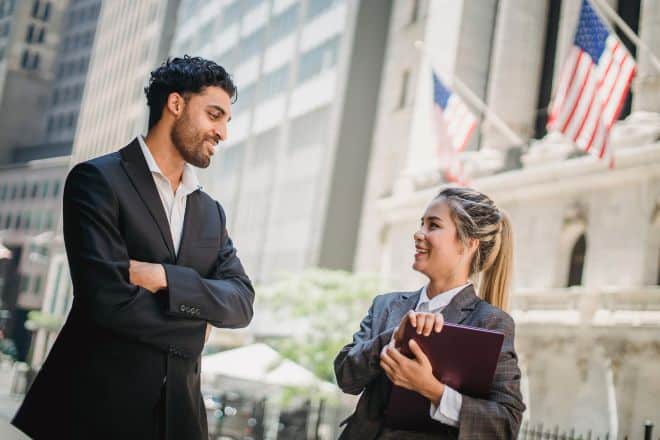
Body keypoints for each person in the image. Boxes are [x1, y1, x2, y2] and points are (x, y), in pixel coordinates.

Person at [12, 56, 255, 440]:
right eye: (214, 115)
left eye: (226, 120)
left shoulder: (210, 212)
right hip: (93, 412)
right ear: (175, 104)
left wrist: (164, 278)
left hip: (178, 421)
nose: (223, 132)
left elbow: (241, 302)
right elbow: (106, 301)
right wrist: (197, 330)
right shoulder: (97, 181)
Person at [335, 187, 525, 439]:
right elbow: (346, 378)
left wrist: (433, 390)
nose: (418, 234)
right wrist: (393, 338)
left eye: (433, 225)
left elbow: (505, 425)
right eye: (421, 224)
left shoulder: (490, 322)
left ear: (468, 244)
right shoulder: (385, 306)